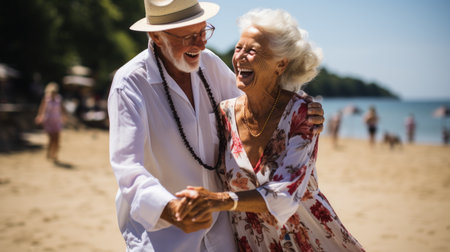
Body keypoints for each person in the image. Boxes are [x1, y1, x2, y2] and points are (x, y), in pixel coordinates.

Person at [107, 1, 324, 251]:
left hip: (223, 235)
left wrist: (299, 105)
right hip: (164, 237)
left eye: (203, 31)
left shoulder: (209, 63)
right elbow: (127, 168)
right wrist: (169, 207)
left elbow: (257, 102)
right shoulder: (130, 84)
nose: (200, 43)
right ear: (156, 36)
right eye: (189, 36)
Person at [175, 8, 364, 251]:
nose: (240, 56)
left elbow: (284, 195)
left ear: (280, 64)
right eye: (238, 48)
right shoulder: (224, 115)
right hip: (253, 243)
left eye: (252, 51)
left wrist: (219, 201)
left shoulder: (301, 113)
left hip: (309, 239)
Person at [35, 82, 66, 162]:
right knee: (51, 139)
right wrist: (40, 116)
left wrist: (64, 116)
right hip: (48, 121)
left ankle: (55, 154)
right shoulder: (46, 99)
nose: (54, 94)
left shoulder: (59, 99)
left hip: (56, 120)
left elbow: (62, 108)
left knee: (57, 139)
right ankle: (49, 152)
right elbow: (42, 108)